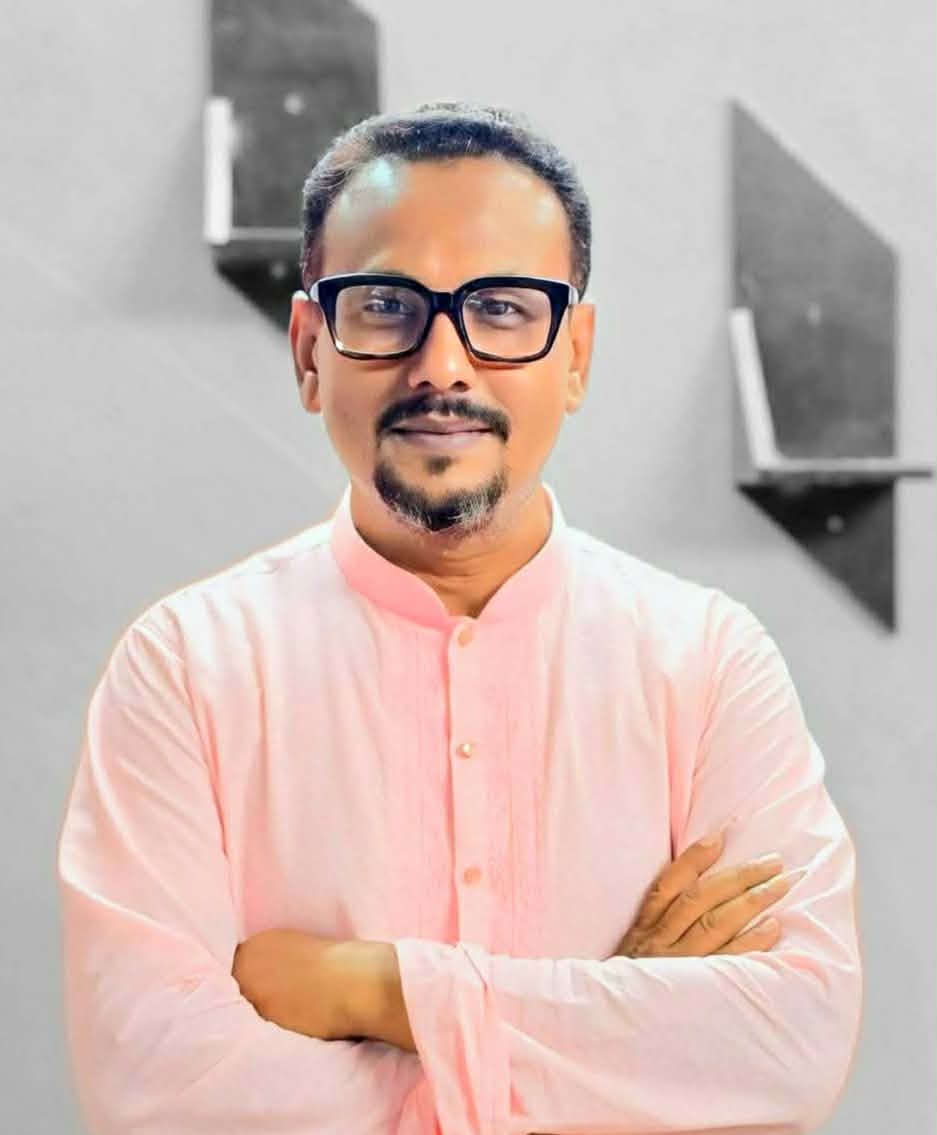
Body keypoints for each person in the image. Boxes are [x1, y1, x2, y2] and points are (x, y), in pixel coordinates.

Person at [56, 102, 863, 1135]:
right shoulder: (185, 668)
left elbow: (789, 1045)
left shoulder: (705, 664)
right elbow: (158, 1091)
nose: (442, 365)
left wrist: (375, 988)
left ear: (576, 354)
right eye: (385, 306)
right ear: (308, 350)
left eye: (504, 309)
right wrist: (608, 1029)